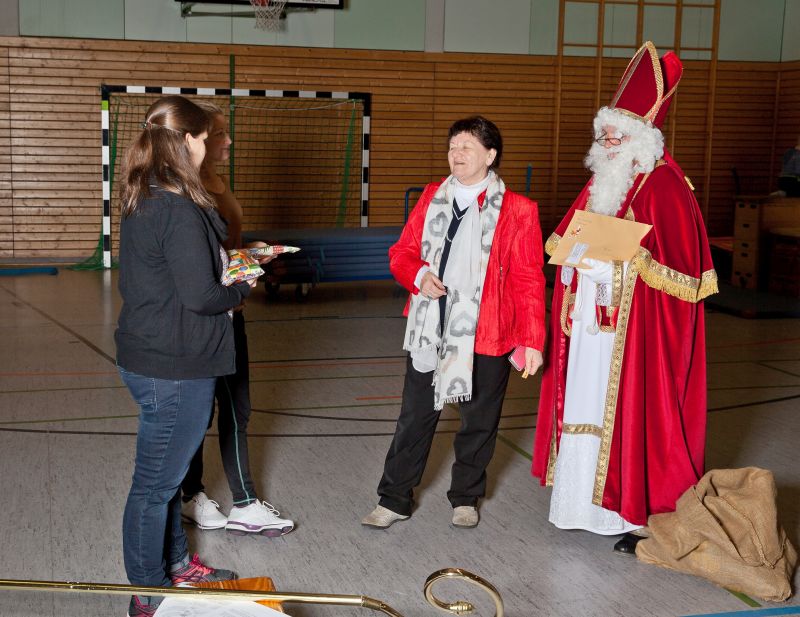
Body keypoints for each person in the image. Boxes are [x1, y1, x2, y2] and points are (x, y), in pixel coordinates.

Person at [531, 42, 718, 554]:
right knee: (587, 408)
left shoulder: (666, 187)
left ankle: (629, 510)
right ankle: (583, 505)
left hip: (634, 335)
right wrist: (575, 263)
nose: (607, 140)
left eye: (616, 132)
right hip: (593, 328)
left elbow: (683, 278)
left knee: (629, 415)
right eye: (604, 132)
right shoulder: (600, 185)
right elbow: (565, 242)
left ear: (642, 136)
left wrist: (626, 262)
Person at [362, 116, 546, 530]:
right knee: (415, 417)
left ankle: (465, 497)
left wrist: (532, 339)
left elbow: (528, 277)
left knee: (479, 421)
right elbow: (402, 251)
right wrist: (417, 275)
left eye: (467, 146)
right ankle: (393, 499)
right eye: (452, 147)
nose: (456, 154)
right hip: (431, 329)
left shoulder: (519, 210)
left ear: (490, 154)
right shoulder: (432, 197)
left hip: (490, 330)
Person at [115, 95, 251, 617]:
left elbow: (182, 276)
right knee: (154, 488)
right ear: (188, 141)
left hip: (156, 356)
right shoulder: (176, 207)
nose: (212, 145)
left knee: (166, 481)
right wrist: (242, 284)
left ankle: (173, 564)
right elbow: (202, 296)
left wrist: (230, 264)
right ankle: (149, 591)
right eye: (207, 137)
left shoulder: (150, 191)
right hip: (172, 366)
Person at [179, 101, 294, 537]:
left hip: (231, 311)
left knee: (236, 407)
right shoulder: (184, 192)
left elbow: (223, 248)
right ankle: (195, 495)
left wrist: (252, 255)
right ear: (194, 141)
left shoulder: (217, 181)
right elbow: (194, 265)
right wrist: (240, 279)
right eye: (219, 136)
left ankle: (242, 502)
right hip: (207, 314)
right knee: (199, 411)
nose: (228, 142)